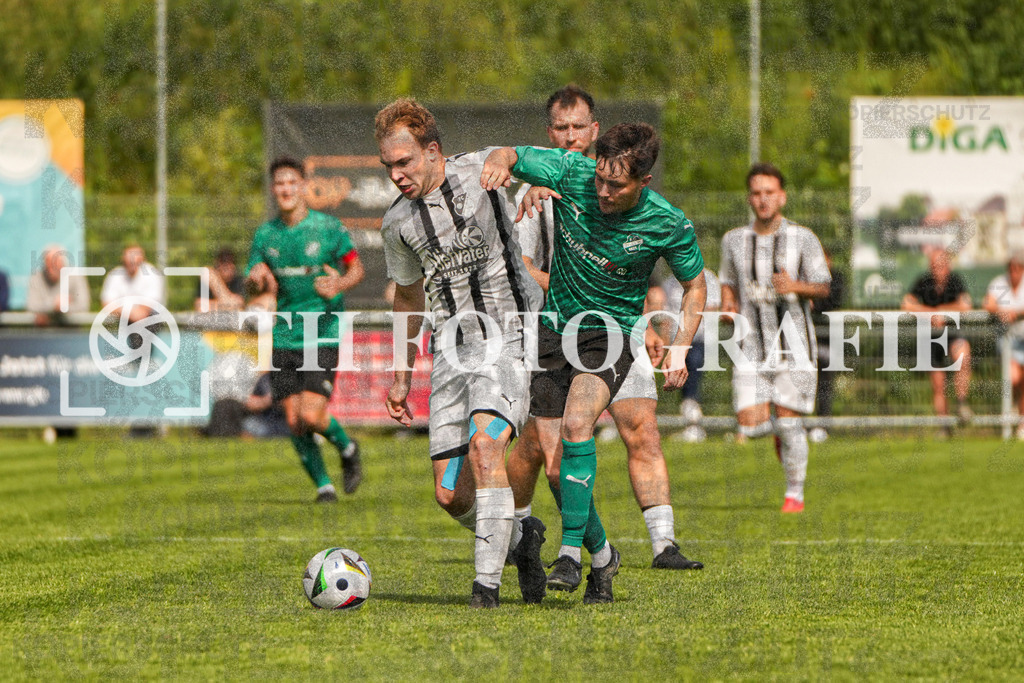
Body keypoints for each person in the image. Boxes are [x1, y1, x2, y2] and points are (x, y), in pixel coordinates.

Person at [482, 122, 708, 603]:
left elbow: (696, 286)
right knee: (554, 466)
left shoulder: (667, 222)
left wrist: (681, 345)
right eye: (600, 180)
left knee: (579, 422)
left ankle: (569, 553)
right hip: (552, 332)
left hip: (609, 337)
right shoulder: (572, 171)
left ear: (643, 182)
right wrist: (501, 163)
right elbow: (510, 150)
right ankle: (603, 558)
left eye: (616, 185)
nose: (602, 191)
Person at [375, 98, 548, 609]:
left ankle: (485, 589)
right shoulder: (397, 224)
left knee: (487, 447)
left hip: (509, 333)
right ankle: (522, 542)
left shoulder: (483, 172)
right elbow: (408, 296)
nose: (397, 175)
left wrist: (528, 172)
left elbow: (557, 167)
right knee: (450, 495)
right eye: (388, 166)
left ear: (432, 151)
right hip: (451, 351)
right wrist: (402, 374)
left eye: (404, 162)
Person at [245, 156, 365, 502]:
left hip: (321, 330)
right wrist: (256, 281)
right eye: (279, 184)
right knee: (294, 420)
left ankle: (347, 446)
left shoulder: (327, 227)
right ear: (273, 189)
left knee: (311, 414)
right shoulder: (266, 235)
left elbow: (356, 270)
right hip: (285, 334)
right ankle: (324, 487)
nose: (285, 189)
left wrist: (339, 284)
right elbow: (255, 285)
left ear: (302, 186)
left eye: (291, 182)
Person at [719, 163, 831, 514]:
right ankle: (783, 433)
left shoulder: (803, 237)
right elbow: (728, 280)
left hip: (794, 346)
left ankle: (794, 494)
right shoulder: (734, 240)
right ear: (749, 198)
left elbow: (825, 286)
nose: (763, 199)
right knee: (750, 425)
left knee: (789, 421)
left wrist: (795, 286)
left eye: (769, 192)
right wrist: (726, 302)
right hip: (751, 348)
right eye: (756, 192)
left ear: (782, 196)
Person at [901, 247, 973, 426]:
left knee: (963, 356)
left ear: (948, 265)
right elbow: (907, 304)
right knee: (938, 384)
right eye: (934, 265)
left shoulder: (955, 281)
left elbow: (965, 305)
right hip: (931, 337)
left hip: (953, 333)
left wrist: (943, 313)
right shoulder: (923, 281)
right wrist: (930, 314)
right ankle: (944, 426)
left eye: (941, 265)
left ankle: (961, 403)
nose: (937, 269)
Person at [659, 267, 722, 442]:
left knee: (692, 382)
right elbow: (665, 317)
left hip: (698, 340)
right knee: (681, 384)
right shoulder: (669, 282)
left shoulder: (709, 278)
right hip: (675, 344)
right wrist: (664, 346)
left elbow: (711, 310)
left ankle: (695, 427)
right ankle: (690, 425)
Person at [982, 250, 1024, 439]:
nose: (1014, 272)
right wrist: (1002, 311)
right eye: (1012, 268)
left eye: (1018, 268)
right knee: (1014, 378)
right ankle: (1015, 414)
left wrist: (1017, 313)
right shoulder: (998, 283)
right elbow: (988, 304)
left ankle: (1021, 422)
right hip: (1008, 343)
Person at [808, 246, 846, 443]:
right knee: (805, 383)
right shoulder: (806, 278)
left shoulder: (837, 278)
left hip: (829, 340)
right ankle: (805, 424)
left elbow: (833, 301)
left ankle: (822, 424)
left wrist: (814, 301)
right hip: (807, 338)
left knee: (824, 383)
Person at [27, 245, 90, 326]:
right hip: (43, 331)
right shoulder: (36, 277)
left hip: (71, 331)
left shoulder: (76, 276)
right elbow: (31, 305)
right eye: (49, 263)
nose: (52, 267)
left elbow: (84, 305)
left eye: (56, 262)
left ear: (63, 263)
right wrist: (54, 305)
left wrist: (63, 308)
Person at [100, 244, 166, 321]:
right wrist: (128, 313)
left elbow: (144, 311)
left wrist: (123, 310)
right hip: (120, 319)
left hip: (149, 320)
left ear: (142, 259)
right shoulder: (114, 275)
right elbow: (106, 304)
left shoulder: (152, 274)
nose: (132, 261)